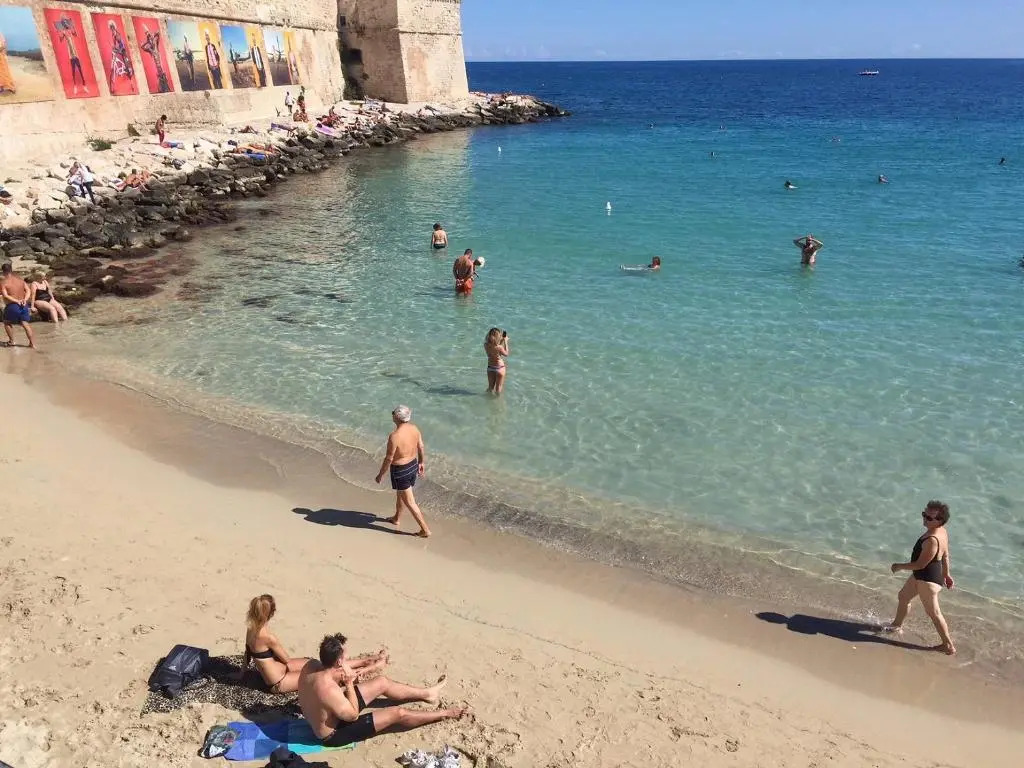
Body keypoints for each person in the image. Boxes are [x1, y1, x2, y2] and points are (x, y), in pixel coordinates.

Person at [298, 633, 467, 748]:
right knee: (398, 713)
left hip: (329, 710)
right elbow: (353, 715)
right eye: (345, 657)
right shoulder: (329, 690)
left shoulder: (311, 666)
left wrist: (367, 664)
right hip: (333, 734)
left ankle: (427, 694)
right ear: (338, 662)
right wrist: (349, 684)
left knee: (381, 682)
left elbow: (330, 681)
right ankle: (444, 713)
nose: (347, 658)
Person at [885, 500, 956, 655]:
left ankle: (948, 645)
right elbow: (945, 555)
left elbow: (920, 565)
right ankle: (896, 625)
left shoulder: (932, 540)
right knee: (903, 596)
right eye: (924, 514)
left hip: (927, 580)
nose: (925, 519)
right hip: (924, 575)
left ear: (940, 521)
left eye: (929, 518)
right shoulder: (942, 531)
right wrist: (946, 574)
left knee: (934, 614)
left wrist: (899, 566)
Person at [241, 594, 318, 693]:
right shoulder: (269, 637)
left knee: (313, 664)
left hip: (278, 673)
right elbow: (286, 659)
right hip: (279, 682)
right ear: (271, 614)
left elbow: (247, 652)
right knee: (315, 675)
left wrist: (241, 673)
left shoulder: (251, 629)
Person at [375, 405, 430, 538]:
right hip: (412, 465)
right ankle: (396, 518)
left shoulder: (394, 436)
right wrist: (421, 462)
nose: (392, 414)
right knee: (401, 494)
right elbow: (421, 446)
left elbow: (389, 458)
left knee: (410, 502)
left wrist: (380, 474)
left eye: (393, 413)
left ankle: (425, 530)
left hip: (401, 471)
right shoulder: (414, 428)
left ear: (396, 417)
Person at [1, 262, 36, 349]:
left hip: (12, 305)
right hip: (24, 305)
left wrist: (17, 301)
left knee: (7, 322)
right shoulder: (20, 280)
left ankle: (12, 341)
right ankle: (32, 344)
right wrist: (25, 299)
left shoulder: (3, 282)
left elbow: (5, 295)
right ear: (11, 270)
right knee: (25, 324)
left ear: (3, 271)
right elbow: (28, 291)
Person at [484, 328, 510, 395]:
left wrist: (501, 341)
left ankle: (486, 398)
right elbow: (506, 354)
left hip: (490, 368)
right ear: (498, 337)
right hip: (499, 368)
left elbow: (496, 348)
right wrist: (505, 341)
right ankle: (497, 401)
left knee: (490, 388)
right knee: (498, 389)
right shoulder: (500, 347)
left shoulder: (486, 345)